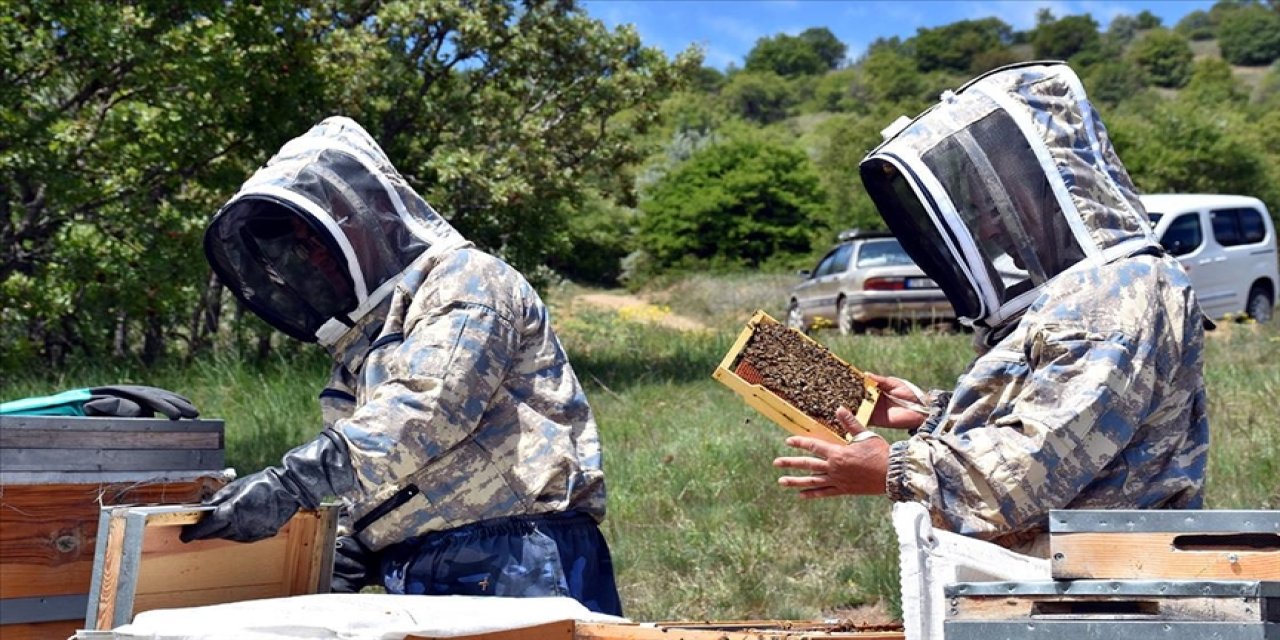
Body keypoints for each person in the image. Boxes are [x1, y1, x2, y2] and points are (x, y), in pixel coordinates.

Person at [182, 116, 622, 615]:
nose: (311, 260)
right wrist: (355, 543)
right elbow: (382, 470)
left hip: (521, 553)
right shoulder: (361, 349)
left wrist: (293, 483)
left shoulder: (466, 281)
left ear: (363, 216)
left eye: (316, 239)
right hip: (419, 566)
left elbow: (429, 409)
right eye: (295, 250)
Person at [772, 62, 1209, 554]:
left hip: (1094, 584)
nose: (991, 231)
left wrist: (893, 469)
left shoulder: (1116, 294)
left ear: (1052, 188)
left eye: (998, 208)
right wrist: (928, 412)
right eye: (979, 212)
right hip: (1073, 570)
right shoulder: (1098, 289)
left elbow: (1033, 468)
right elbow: (1057, 404)